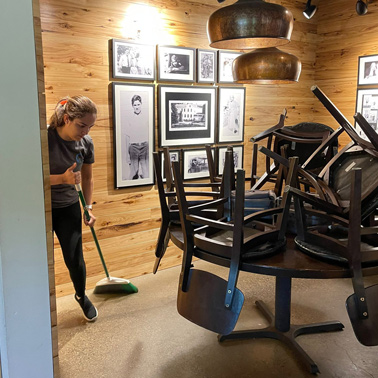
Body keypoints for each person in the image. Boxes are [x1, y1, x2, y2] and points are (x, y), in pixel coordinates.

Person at [48, 96, 98, 322]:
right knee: (38, 259)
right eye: (81, 125)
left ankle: (81, 295)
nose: (86, 131)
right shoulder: (44, 137)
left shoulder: (86, 143)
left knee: (75, 259)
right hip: (41, 208)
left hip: (69, 207)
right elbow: (25, 178)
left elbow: (87, 177)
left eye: (90, 126)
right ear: (67, 119)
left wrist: (87, 207)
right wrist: (61, 178)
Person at [125, 95, 149, 180]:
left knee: (146, 172)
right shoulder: (129, 119)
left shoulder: (146, 118)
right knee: (133, 172)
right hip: (133, 148)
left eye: (138, 104)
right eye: (135, 105)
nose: (137, 107)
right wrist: (127, 154)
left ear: (141, 104)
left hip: (144, 146)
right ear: (132, 106)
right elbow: (127, 137)